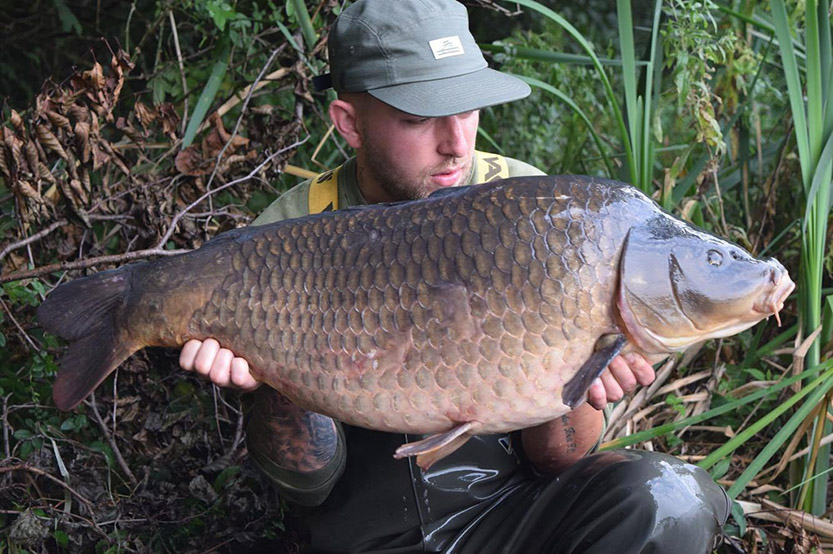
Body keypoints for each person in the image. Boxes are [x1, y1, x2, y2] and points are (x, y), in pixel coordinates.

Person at [179, 1, 731, 552]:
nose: (456, 144)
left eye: (467, 109)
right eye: (419, 118)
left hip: (510, 511)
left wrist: (580, 385)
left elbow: (559, 458)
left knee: (668, 501)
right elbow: (309, 486)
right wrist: (269, 383)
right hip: (361, 531)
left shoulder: (544, 214)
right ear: (350, 123)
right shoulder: (283, 237)